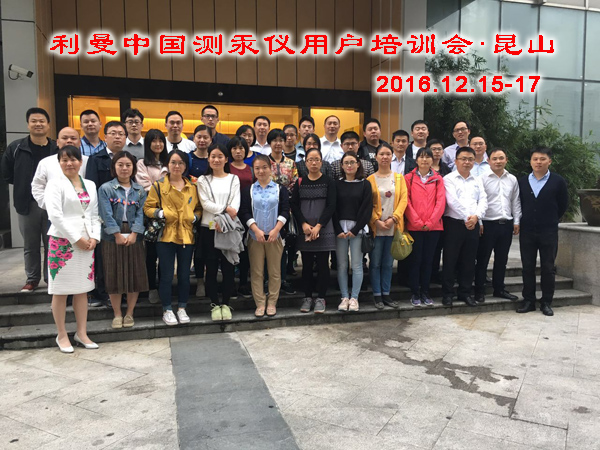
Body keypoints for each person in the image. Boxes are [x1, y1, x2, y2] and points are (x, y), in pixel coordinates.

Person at [45, 145, 101, 352]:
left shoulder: (90, 184)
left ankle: (81, 332)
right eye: (64, 160)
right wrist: (76, 239)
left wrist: (94, 237)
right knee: (60, 291)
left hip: (86, 243)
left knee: (82, 290)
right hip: (62, 243)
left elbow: (93, 214)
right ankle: (61, 335)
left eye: (73, 159)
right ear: (59, 163)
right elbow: (55, 216)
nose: (69, 163)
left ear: (80, 162)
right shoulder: (54, 184)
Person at [2, 107, 57, 293]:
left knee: (52, 243)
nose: (38, 124)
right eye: (34, 121)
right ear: (28, 124)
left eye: (42, 121)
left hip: (52, 204)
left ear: (48, 125)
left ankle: (51, 278)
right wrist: (23, 185)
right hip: (27, 204)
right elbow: (7, 174)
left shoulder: (55, 148)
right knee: (30, 244)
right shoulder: (16, 147)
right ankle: (32, 279)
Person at [144, 150, 201, 326]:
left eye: (181, 163)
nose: (177, 166)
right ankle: (167, 309)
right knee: (166, 275)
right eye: (173, 162)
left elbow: (199, 208)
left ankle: (182, 307)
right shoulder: (159, 185)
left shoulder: (192, 186)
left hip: (186, 235)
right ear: (167, 165)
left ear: (186, 165)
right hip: (165, 235)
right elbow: (148, 207)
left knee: (184, 275)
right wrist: (160, 213)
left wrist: (194, 217)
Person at [98, 151, 148, 329]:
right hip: (112, 236)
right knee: (114, 274)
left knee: (134, 274)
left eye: (128, 165)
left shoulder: (139, 190)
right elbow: (105, 214)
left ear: (133, 168)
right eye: (120, 165)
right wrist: (117, 234)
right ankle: (117, 314)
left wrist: (134, 234)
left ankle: (130, 313)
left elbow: (141, 214)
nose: (124, 168)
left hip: (135, 235)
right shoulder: (105, 188)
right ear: (114, 167)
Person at [517, 147, 568, 316]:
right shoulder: (523, 181)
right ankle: (529, 300)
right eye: (535, 159)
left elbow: (563, 205)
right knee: (527, 267)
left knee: (548, 267)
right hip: (527, 231)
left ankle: (546, 302)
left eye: (542, 159)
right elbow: (519, 203)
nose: (538, 162)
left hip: (548, 231)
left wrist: (550, 219)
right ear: (530, 162)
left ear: (549, 161)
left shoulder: (558, 181)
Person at [239, 155, 290, 317]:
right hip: (255, 237)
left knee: (274, 272)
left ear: (271, 168)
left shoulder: (280, 189)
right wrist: (255, 229)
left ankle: (272, 302)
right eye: (257, 168)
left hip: (275, 236)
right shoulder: (248, 190)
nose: (261, 171)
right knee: (257, 272)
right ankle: (260, 303)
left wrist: (276, 230)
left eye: (264, 167)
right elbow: (244, 211)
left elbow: (285, 210)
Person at [85, 120, 128, 307]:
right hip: (103, 217)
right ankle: (103, 292)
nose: (117, 137)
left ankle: (122, 291)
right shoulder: (96, 159)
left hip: (125, 216)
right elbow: (91, 189)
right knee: (104, 258)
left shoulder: (129, 159)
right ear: (105, 137)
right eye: (113, 133)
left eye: (121, 134)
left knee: (122, 257)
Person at [197, 144, 241, 321]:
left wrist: (226, 217)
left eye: (220, 156)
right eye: (213, 156)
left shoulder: (233, 179)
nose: (216, 159)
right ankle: (215, 304)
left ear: (226, 159)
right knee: (211, 268)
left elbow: (235, 204)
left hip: (228, 227)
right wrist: (225, 210)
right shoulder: (203, 180)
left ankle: (226, 303)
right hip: (208, 228)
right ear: (208, 159)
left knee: (229, 267)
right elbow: (205, 203)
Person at [291, 148, 336, 314]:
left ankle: (321, 298)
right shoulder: (300, 182)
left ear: (321, 162)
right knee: (307, 265)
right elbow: (294, 205)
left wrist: (318, 226)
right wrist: (303, 224)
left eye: (317, 159)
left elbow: (331, 205)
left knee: (323, 265)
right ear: (306, 163)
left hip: (324, 229)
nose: (314, 163)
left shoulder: (329, 181)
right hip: (305, 230)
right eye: (311, 160)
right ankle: (307, 297)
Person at [442, 147, 488, 307]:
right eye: (463, 159)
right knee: (450, 260)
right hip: (454, 224)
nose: (467, 162)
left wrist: (477, 217)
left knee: (469, 261)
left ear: (474, 161)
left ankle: (465, 293)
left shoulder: (477, 180)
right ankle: (448, 294)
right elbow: (452, 201)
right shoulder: (448, 179)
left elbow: (483, 200)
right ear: (456, 161)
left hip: (473, 225)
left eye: (470, 159)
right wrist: (468, 217)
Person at [474, 148, 521, 303]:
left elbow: (515, 201)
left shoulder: (512, 179)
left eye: (501, 158)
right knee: (483, 259)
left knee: (502, 259)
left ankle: (499, 289)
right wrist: (479, 221)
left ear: (506, 160)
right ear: (488, 161)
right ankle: (479, 291)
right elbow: (477, 201)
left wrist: (516, 221)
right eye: (494, 158)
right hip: (487, 224)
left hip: (506, 224)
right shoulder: (481, 179)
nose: (498, 161)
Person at [367, 144, 408, 309]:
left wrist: (394, 218)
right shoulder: (370, 180)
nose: (384, 157)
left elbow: (403, 200)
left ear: (392, 157)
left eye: (388, 154)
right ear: (376, 157)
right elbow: (367, 204)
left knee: (388, 264)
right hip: (377, 228)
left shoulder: (399, 178)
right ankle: (377, 295)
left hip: (393, 227)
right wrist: (375, 220)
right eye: (381, 154)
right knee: (375, 263)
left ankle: (386, 293)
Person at [404, 148, 446, 306]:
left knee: (429, 261)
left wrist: (430, 222)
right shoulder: (408, 178)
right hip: (414, 227)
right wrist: (416, 221)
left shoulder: (438, 179)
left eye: (427, 157)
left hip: (433, 228)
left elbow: (441, 202)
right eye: (421, 157)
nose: (424, 160)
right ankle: (415, 292)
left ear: (432, 160)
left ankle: (425, 292)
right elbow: (406, 201)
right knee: (415, 260)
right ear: (416, 160)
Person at [333, 152, 372, 311]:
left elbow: (367, 209)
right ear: (342, 166)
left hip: (358, 230)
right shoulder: (336, 184)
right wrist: (337, 229)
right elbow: (333, 208)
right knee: (342, 265)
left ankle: (354, 298)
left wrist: (355, 229)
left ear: (358, 164)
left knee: (357, 265)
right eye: (346, 163)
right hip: (340, 231)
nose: (349, 165)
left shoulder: (365, 184)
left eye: (352, 162)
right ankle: (344, 297)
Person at [136, 129, 169, 304]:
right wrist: (166, 192)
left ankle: (164, 286)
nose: (158, 144)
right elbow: (145, 187)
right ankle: (151, 287)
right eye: (154, 141)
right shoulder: (142, 164)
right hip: (151, 215)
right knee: (151, 254)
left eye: (160, 140)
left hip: (170, 215)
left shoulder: (169, 162)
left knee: (166, 253)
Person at [268, 129, 298, 295]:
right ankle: (268, 280)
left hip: (286, 209)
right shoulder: (264, 161)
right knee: (267, 245)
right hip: (266, 209)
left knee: (283, 246)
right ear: (270, 143)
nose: (278, 143)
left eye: (281, 140)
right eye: (275, 140)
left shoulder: (291, 163)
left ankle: (283, 279)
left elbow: (294, 184)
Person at [32, 127, 87, 210]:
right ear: (57, 142)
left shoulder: (88, 161)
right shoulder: (45, 162)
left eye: (73, 138)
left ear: (80, 142)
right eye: (65, 138)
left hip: (82, 210)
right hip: (53, 209)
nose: (69, 141)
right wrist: (49, 205)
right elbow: (37, 186)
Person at [228, 136, 254, 298]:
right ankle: (230, 284)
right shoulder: (226, 167)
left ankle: (244, 283)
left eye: (241, 148)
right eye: (235, 148)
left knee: (245, 249)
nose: (238, 151)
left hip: (247, 213)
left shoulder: (251, 169)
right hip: (230, 214)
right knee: (230, 248)